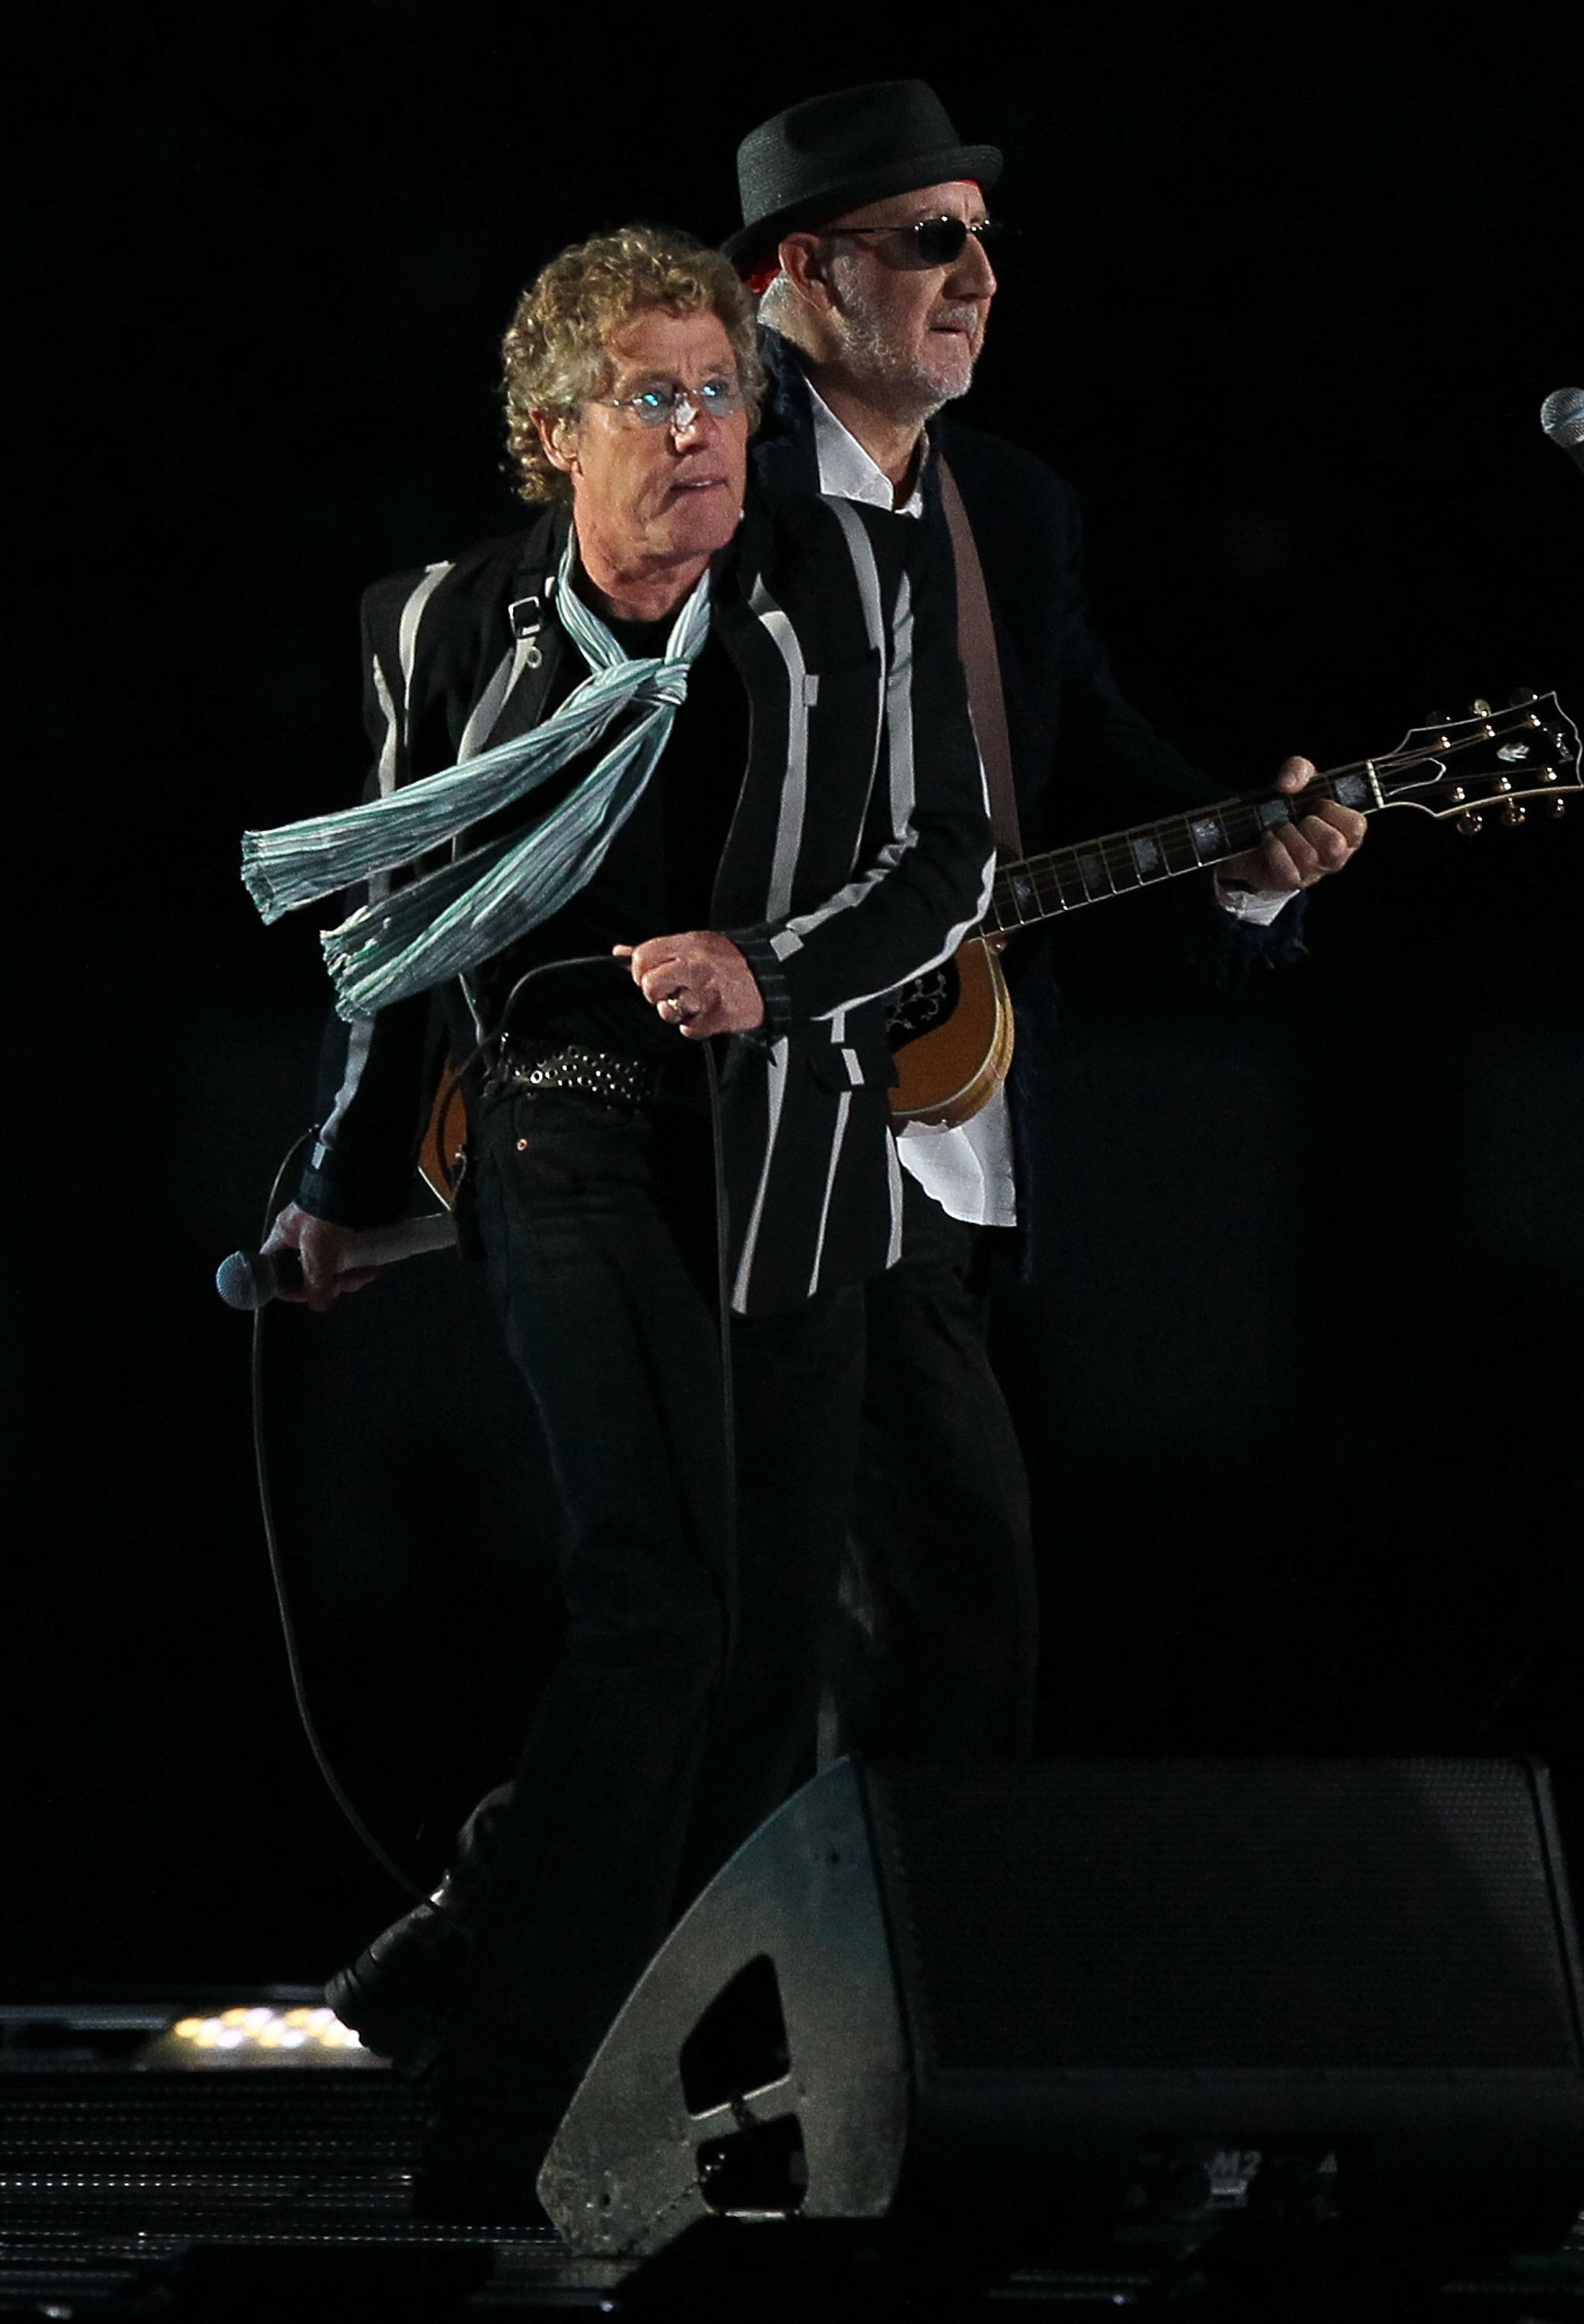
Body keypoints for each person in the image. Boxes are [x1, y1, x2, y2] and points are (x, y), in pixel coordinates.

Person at [246, 222, 991, 2209]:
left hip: (792, 1131)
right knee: (660, 1597)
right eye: (652, 397)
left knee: (769, 1653)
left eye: (722, 393)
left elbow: (945, 863)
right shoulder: (440, 624)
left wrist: (768, 970)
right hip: (565, 1118)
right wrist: (344, 1186)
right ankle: (502, 2127)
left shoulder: (852, 585)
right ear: (554, 430)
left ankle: (642, 2077)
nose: (699, 432)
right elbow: (398, 930)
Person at [729, 81, 1368, 1762]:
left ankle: (576, 1906)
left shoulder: (1005, 508)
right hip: (739, 1120)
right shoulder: (698, 475)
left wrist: (1251, 856)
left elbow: (1083, 761)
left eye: (986, 241)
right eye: (931, 241)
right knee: (890, 1613)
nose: (982, 276)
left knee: (858, 1630)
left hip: (937, 1126)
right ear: (802, 268)